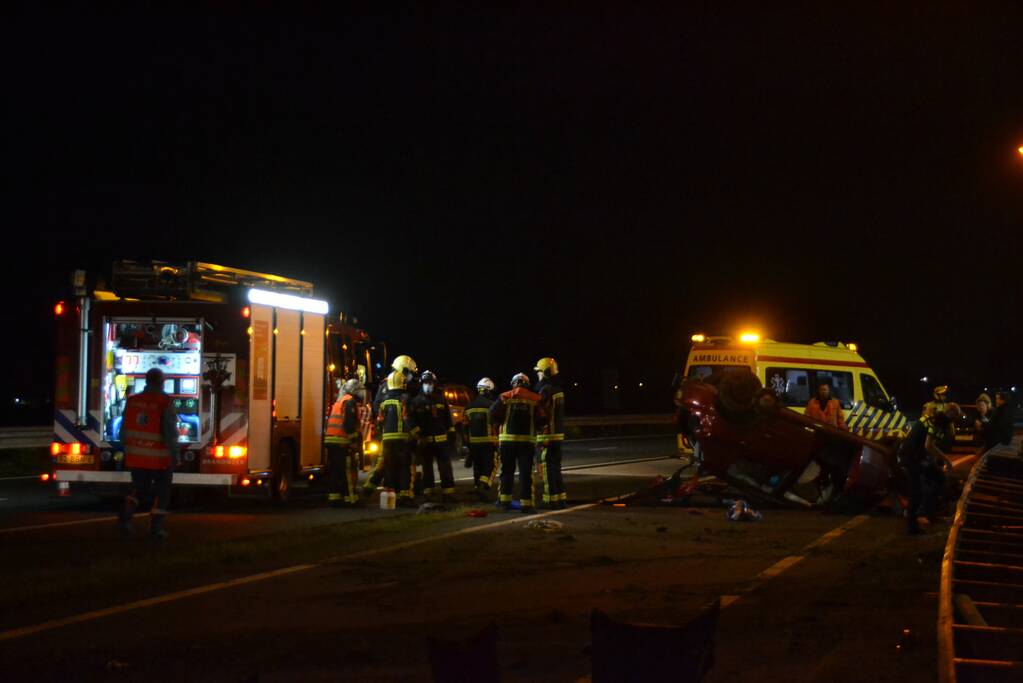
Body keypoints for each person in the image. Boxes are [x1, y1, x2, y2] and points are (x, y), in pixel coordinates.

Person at [117, 367, 180, 539]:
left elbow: (123, 430)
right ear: (162, 382)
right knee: (162, 493)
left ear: (146, 381)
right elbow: (170, 433)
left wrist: (126, 449)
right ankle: (157, 527)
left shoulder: (133, 400)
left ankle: (125, 517)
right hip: (159, 459)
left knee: (137, 489)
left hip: (136, 457)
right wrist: (175, 456)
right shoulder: (164, 402)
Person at [899, 404, 961, 535]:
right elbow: (929, 445)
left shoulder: (932, 418)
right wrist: (946, 459)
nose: (955, 419)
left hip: (914, 456)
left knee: (938, 479)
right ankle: (913, 524)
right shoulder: (938, 422)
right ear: (950, 414)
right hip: (912, 458)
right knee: (917, 491)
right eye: (955, 416)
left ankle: (927, 513)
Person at [490, 373, 546, 514]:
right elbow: (542, 420)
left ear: (513, 383)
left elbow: (492, 413)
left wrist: (500, 422)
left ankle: (504, 502)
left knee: (506, 472)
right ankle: (527, 505)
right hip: (527, 442)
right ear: (527, 384)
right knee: (526, 474)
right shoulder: (535, 398)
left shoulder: (505, 396)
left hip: (507, 442)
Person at [373, 370, 420, 507]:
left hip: (387, 440)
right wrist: (417, 434)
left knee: (390, 468)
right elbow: (407, 419)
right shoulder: (405, 398)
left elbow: (379, 421)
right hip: (402, 439)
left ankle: (391, 499)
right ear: (402, 383)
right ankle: (404, 497)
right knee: (404, 468)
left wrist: (380, 436)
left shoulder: (384, 400)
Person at [411, 370, 457, 502]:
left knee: (445, 467)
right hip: (426, 441)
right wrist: (418, 437)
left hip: (441, 440)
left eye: (430, 383)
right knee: (427, 468)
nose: (428, 385)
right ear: (422, 383)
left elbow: (448, 418)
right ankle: (428, 492)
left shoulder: (441, 399)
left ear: (434, 384)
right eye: (425, 382)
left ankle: (448, 493)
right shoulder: (416, 401)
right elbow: (413, 420)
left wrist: (452, 433)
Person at [325, 378, 365, 507]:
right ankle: (351, 499)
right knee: (348, 471)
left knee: (336, 471)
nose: (362, 394)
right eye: (360, 390)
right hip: (341, 441)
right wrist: (353, 441)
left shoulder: (340, 401)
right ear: (354, 390)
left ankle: (334, 499)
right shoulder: (350, 402)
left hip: (332, 441)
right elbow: (349, 424)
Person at [534, 357, 567, 509]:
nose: (538, 375)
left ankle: (550, 500)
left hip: (547, 436)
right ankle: (560, 499)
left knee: (547, 470)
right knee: (556, 469)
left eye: (539, 372)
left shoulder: (545, 390)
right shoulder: (558, 390)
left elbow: (540, 413)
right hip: (558, 435)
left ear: (546, 372)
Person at [465, 377, 499, 501]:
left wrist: (467, 445)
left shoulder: (469, 406)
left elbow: (465, 426)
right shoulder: (492, 405)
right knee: (491, 465)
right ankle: (482, 485)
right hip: (488, 441)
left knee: (477, 466)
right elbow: (497, 423)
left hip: (473, 443)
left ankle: (477, 489)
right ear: (488, 391)